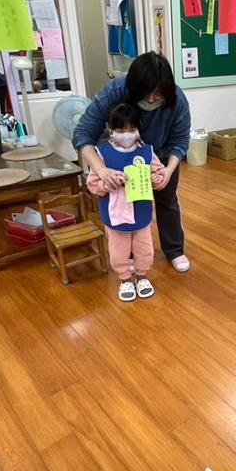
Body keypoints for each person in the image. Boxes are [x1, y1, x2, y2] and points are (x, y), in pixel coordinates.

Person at [73, 52, 193, 273]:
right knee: (124, 203)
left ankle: (174, 250)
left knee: (167, 200)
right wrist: (102, 169)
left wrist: (168, 170)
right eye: (146, 93)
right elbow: (83, 134)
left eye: (158, 94)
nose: (152, 99)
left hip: (160, 155)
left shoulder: (176, 99)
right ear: (133, 88)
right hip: (118, 157)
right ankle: (125, 259)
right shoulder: (115, 91)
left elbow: (180, 140)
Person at [86, 103, 166, 302]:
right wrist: (107, 184)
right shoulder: (102, 153)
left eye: (132, 129)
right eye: (121, 131)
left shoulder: (147, 151)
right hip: (115, 213)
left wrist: (156, 178)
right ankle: (124, 279)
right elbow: (92, 184)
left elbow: (159, 172)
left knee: (144, 248)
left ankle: (142, 276)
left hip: (141, 210)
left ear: (138, 129)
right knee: (118, 251)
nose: (127, 135)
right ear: (111, 130)